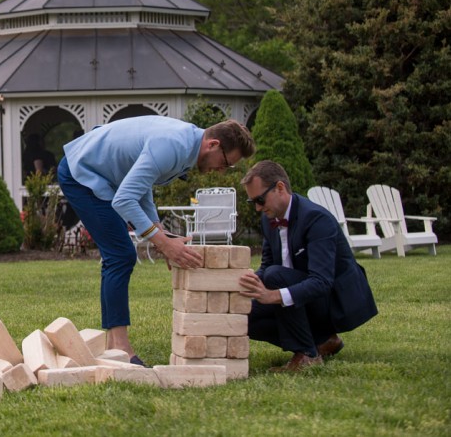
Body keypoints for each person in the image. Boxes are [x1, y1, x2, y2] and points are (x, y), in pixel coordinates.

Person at [57, 116, 255, 366]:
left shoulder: (185, 147)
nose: (222, 170)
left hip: (105, 176)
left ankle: (112, 345)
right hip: (80, 172)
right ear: (213, 144)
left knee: (119, 255)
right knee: (120, 255)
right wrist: (163, 244)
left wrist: (161, 232)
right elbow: (124, 200)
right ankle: (120, 347)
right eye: (226, 163)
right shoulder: (173, 146)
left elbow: (142, 188)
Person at [238, 160, 378, 373]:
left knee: (276, 277)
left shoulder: (316, 219)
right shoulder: (269, 220)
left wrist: (273, 296)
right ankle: (322, 341)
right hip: (299, 294)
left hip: (333, 301)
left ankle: (307, 355)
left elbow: (322, 282)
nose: (257, 207)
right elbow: (267, 264)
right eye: (252, 202)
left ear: (280, 188)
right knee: (243, 317)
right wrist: (253, 284)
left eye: (260, 199)